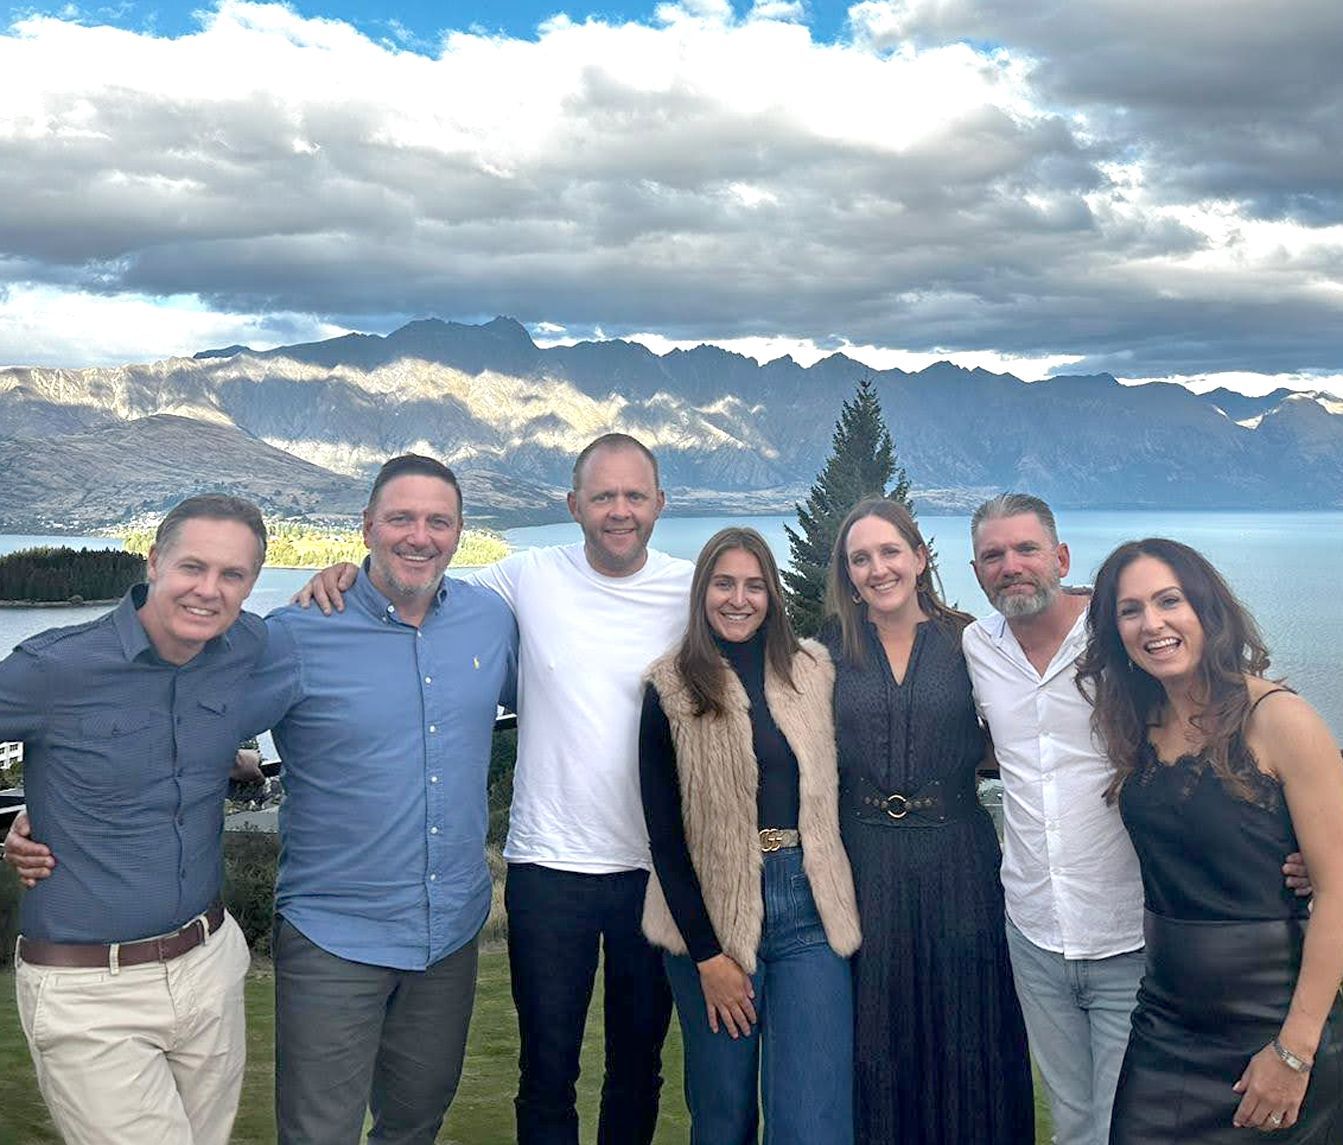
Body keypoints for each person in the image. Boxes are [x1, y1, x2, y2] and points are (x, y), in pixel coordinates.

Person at [7, 455, 520, 1145]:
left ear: (460, 533)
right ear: (366, 527)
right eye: (399, 517)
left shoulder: (489, 620)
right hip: (334, 933)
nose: (418, 535)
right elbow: (176, 722)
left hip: (450, 928)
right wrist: (42, 808)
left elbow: (192, 727)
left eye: (438, 521)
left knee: (415, 1122)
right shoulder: (296, 633)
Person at [297, 433, 693, 1145]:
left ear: (661, 502)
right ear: (573, 504)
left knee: (639, 1069)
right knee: (546, 1071)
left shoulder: (692, 588)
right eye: (602, 495)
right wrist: (344, 575)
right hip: (547, 866)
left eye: (635, 495)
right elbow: (416, 581)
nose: (619, 510)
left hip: (655, 870)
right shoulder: (526, 577)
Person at [962, 493, 1313, 1145]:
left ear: (1060, 557)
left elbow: (1223, 720)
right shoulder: (975, 646)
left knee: (1122, 1125)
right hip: (1033, 930)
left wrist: (1295, 847)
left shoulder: (1122, 639)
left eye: (1026, 548)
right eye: (992, 554)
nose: (1010, 564)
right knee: (1072, 1122)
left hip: (1134, 935)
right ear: (977, 570)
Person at [0, 495, 271, 1145]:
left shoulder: (247, 644)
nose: (209, 589)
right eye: (192, 567)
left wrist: (239, 752)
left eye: (233, 574)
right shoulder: (54, 667)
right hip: (90, 990)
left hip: (210, 965)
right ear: (153, 562)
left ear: (252, 582)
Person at [1076, 538, 1343, 1142]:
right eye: (1130, 609)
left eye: (1169, 601)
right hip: (1164, 1022)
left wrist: (1294, 1052)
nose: (1153, 623)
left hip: (1270, 1025)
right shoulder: (1139, 723)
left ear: (1207, 610)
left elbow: (1338, 893)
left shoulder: (1277, 719)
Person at [639, 527, 860, 1143]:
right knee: (723, 1115)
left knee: (812, 1117)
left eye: (755, 585)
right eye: (724, 583)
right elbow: (665, 839)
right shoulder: (670, 688)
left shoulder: (813, 671)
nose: (739, 599)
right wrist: (709, 956)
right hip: (709, 918)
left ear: (774, 594)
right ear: (702, 592)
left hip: (810, 910)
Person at [824, 497, 1034, 1144]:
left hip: (958, 860)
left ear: (919, 557)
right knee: (874, 1035)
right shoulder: (824, 648)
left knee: (965, 1031)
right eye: (860, 558)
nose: (877, 568)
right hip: (860, 861)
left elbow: (1028, 722)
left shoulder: (971, 637)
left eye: (890, 552)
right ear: (847, 572)